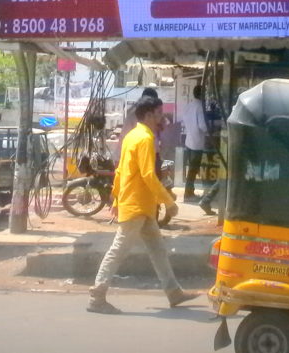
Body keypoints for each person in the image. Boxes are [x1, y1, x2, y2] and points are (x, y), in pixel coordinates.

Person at [87, 96, 198, 314]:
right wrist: (168, 202)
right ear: (148, 115)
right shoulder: (146, 138)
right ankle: (97, 296)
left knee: (158, 249)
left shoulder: (132, 136)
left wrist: (117, 197)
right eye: (158, 114)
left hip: (140, 205)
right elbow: (148, 174)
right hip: (138, 205)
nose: (162, 118)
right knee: (118, 249)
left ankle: (174, 292)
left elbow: (120, 171)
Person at [182, 85, 208, 202]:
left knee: (191, 170)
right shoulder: (200, 107)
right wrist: (211, 129)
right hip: (197, 143)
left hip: (189, 141)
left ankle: (189, 192)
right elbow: (202, 126)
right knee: (193, 170)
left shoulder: (189, 106)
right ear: (202, 94)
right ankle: (188, 194)